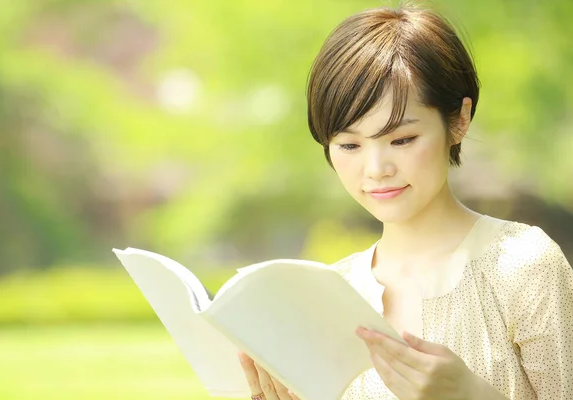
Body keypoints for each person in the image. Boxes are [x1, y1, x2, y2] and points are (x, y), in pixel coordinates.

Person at [238, 3, 573, 400]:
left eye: (401, 140)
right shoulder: (330, 292)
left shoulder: (522, 266)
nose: (376, 168)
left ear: (459, 120)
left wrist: (468, 394)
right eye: (349, 145)